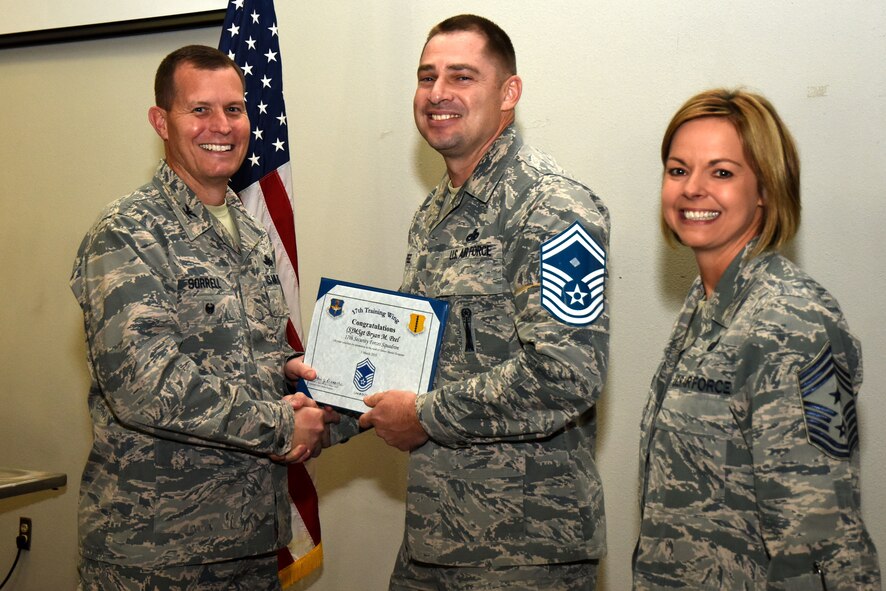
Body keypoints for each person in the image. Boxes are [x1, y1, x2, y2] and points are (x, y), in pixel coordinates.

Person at [355, 14, 610, 590]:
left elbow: (566, 374)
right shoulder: (435, 213)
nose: (439, 93)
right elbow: (412, 357)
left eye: (462, 76)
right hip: (436, 537)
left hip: (524, 553)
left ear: (508, 93)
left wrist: (422, 416)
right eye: (427, 77)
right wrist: (328, 406)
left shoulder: (552, 208)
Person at [70, 45, 337, 591]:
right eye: (200, 110)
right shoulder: (127, 233)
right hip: (158, 553)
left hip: (252, 543)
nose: (221, 126)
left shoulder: (249, 229)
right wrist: (284, 424)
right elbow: (145, 386)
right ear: (161, 122)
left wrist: (313, 383)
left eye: (234, 110)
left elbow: (251, 352)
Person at [633, 88, 880, 589]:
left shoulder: (792, 323)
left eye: (721, 172)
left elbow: (819, 543)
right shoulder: (704, 307)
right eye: (678, 170)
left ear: (766, 188)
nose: (692, 189)